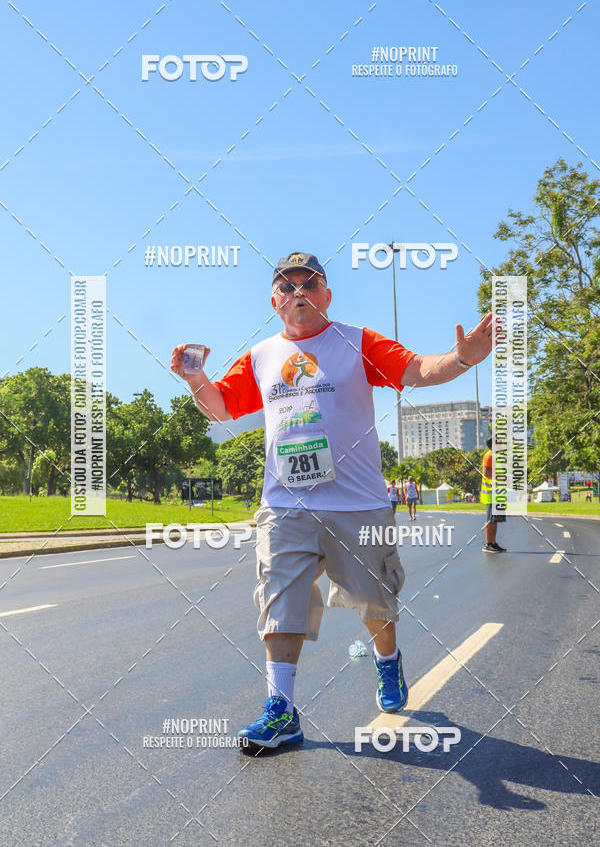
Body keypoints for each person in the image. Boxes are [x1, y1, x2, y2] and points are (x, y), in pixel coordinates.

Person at [171, 252, 493, 750]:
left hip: (358, 504)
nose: (298, 291)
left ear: (326, 294)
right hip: (285, 505)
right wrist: (196, 381)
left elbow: (418, 370)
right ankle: (281, 711)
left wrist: (464, 358)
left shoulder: (356, 342)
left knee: (373, 601)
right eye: (287, 285)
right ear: (273, 300)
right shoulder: (260, 356)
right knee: (280, 602)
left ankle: (387, 661)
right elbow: (221, 408)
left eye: (309, 282)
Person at [481, 436, 507, 553]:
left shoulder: (495, 456)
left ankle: (493, 542)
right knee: (490, 520)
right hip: (491, 494)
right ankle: (488, 543)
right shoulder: (489, 456)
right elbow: (486, 473)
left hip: (498, 493)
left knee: (495, 520)